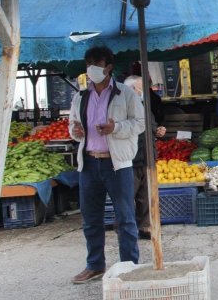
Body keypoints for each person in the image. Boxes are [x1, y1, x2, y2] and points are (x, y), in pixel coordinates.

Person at [68, 46, 145, 284]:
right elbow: (72, 127)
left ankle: (129, 266)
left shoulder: (126, 94)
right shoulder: (81, 96)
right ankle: (95, 265)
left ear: (109, 67)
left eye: (97, 63)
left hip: (117, 164)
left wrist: (116, 128)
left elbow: (140, 123)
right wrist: (76, 131)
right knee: (91, 219)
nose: (92, 68)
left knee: (125, 218)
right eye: (89, 63)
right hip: (89, 163)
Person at [123, 75, 166, 240]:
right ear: (130, 90)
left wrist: (159, 131)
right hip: (130, 158)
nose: (142, 92)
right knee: (128, 195)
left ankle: (146, 227)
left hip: (147, 156)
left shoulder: (144, 106)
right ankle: (125, 227)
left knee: (146, 195)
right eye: (140, 89)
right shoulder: (122, 108)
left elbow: (153, 126)